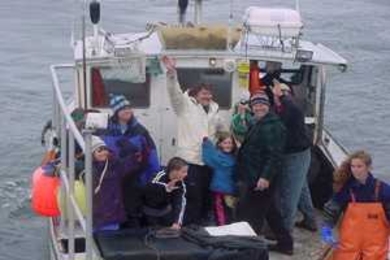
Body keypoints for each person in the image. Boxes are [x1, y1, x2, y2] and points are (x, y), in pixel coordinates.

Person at [161, 56, 226, 225]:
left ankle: (204, 229)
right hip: (190, 162)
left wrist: (226, 144)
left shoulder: (214, 111)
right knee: (191, 199)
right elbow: (173, 92)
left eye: (210, 93)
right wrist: (171, 73)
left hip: (209, 163)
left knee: (207, 198)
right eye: (204, 93)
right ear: (195, 94)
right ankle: (190, 228)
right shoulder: (184, 106)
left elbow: (223, 132)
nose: (208, 96)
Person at [236, 92, 293, 255]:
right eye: (255, 105)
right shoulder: (259, 122)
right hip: (255, 174)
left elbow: (274, 155)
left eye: (262, 104)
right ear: (252, 108)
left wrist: (265, 177)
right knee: (270, 210)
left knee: (252, 212)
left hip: (261, 177)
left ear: (268, 106)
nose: (259, 107)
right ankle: (285, 243)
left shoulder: (273, 126)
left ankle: (249, 248)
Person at [101, 94, 160, 227]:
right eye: (123, 108)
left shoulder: (140, 131)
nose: (127, 111)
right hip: (112, 176)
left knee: (132, 206)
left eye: (129, 108)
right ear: (116, 112)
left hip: (134, 176)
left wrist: (153, 175)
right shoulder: (104, 130)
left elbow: (151, 154)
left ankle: (132, 231)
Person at [321, 150, 390, 260]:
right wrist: (326, 228)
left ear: (369, 167)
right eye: (353, 166)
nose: (355, 170)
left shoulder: (383, 190)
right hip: (348, 249)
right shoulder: (345, 189)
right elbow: (332, 210)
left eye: (359, 166)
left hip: (375, 251)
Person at [272, 80, 316, 232]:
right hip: (294, 153)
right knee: (301, 188)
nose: (281, 94)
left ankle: (285, 234)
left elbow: (292, 106)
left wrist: (282, 95)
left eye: (285, 92)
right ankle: (310, 219)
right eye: (279, 91)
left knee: (288, 195)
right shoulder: (278, 109)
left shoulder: (293, 108)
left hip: (296, 155)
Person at [89, 136, 142, 231]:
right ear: (92, 154)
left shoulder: (115, 165)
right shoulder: (88, 168)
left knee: (108, 240)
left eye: (105, 149)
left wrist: (134, 152)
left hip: (112, 215)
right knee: (95, 241)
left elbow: (132, 161)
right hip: (96, 215)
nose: (103, 152)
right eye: (99, 150)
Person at [142, 157, 188, 230]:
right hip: (150, 212)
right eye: (183, 172)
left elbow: (180, 203)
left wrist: (177, 222)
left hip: (165, 212)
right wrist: (165, 188)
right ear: (174, 171)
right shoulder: (159, 175)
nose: (186, 174)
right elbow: (149, 189)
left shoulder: (180, 184)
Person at [202, 133, 237, 226]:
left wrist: (207, 144)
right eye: (225, 143)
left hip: (228, 190)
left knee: (227, 211)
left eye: (230, 143)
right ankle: (223, 228)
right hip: (220, 190)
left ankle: (225, 228)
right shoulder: (233, 158)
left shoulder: (222, 157)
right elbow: (208, 157)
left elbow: (208, 157)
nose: (228, 145)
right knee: (221, 212)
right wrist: (206, 143)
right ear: (220, 144)